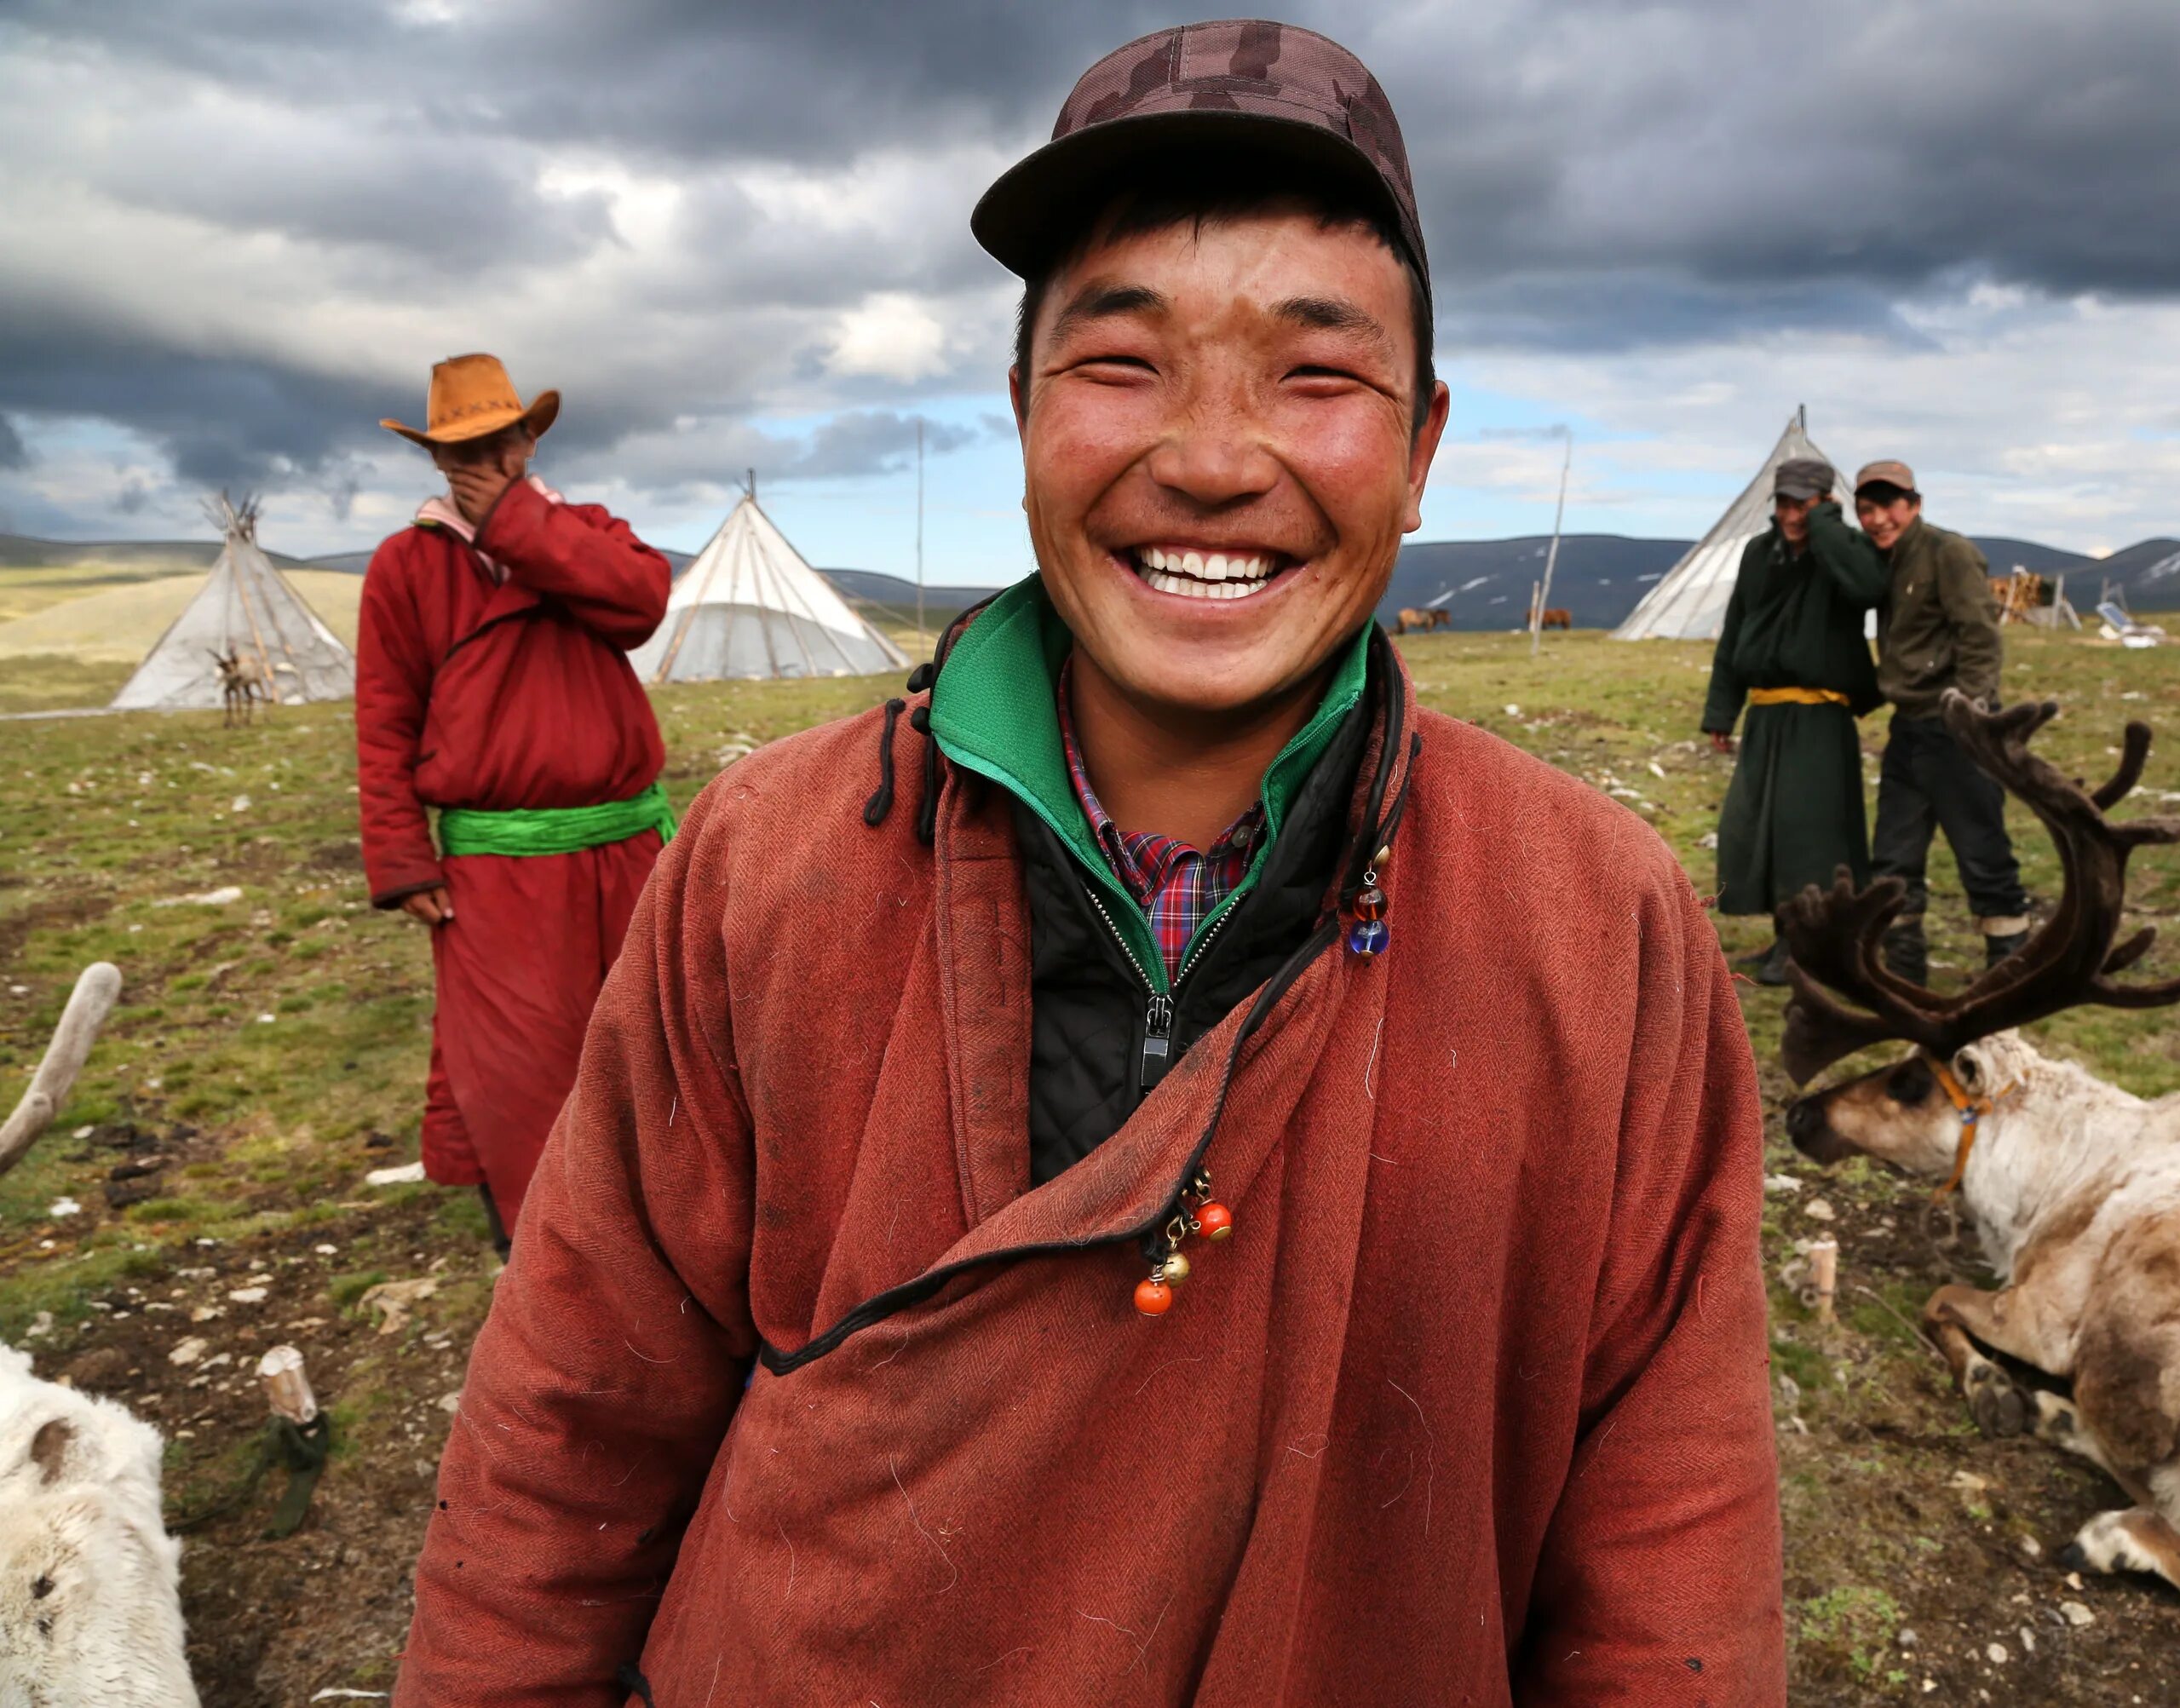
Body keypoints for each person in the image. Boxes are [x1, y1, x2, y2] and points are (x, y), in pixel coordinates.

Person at [394, 23, 1782, 1705]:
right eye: (1121, 364)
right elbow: (572, 1424)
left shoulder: (1599, 926)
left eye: (1316, 374)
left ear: (1420, 448)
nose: (1208, 456)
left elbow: (1671, 1556)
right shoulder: (767, 865)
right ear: (1023, 413)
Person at [357, 354, 673, 1252]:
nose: (487, 460)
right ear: (434, 460)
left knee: (649, 1045)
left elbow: (642, 603)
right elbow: (384, 718)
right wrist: (400, 857)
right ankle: (543, 1251)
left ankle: (668, 1229)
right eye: (464, 448)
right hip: (495, 868)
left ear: (530, 440)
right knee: (520, 1069)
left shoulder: (588, 534)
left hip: (623, 852)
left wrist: (520, 525)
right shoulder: (406, 566)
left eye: (501, 440)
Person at [1700, 457, 1887, 984]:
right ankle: (1785, 937)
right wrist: (1722, 710)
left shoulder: (1845, 551)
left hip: (1820, 717)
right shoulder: (1762, 554)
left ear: (1826, 502)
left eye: (1804, 503)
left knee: (1811, 835)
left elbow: (1868, 588)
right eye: (1785, 502)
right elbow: (1735, 632)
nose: (1792, 514)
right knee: (1757, 828)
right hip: (1766, 714)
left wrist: (1827, 528)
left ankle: (1809, 947)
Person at [1853, 457, 2029, 983]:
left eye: (1890, 505)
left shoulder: (1948, 552)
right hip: (1909, 727)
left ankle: (2011, 968)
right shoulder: (1883, 560)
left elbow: (1980, 637)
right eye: (1868, 508)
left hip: (1957, 729)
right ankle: (1905, 975)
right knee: (1893, 856)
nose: (1879, 517)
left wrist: (1970, 714)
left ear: (1915, 505)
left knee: (1982, 851)